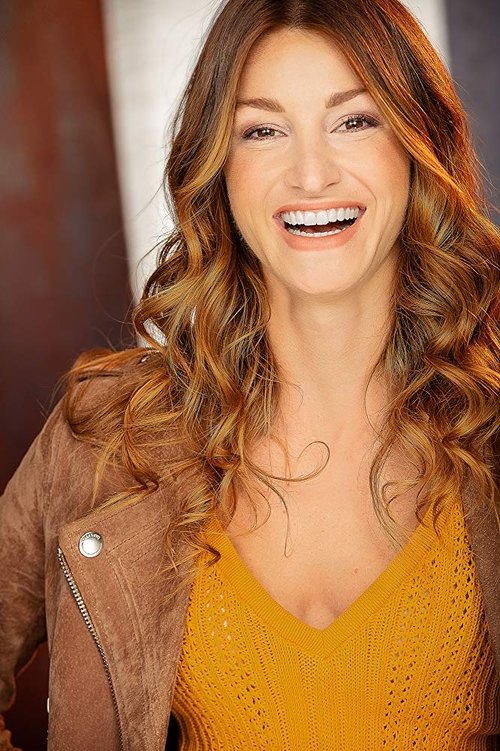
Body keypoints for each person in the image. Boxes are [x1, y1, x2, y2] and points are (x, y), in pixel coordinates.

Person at [1, 0, 499, 748]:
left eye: (354, 121)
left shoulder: (490, 424)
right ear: (219, 167)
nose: (311, 173)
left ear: (416, 145)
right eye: (262, 130)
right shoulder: (107, 435)